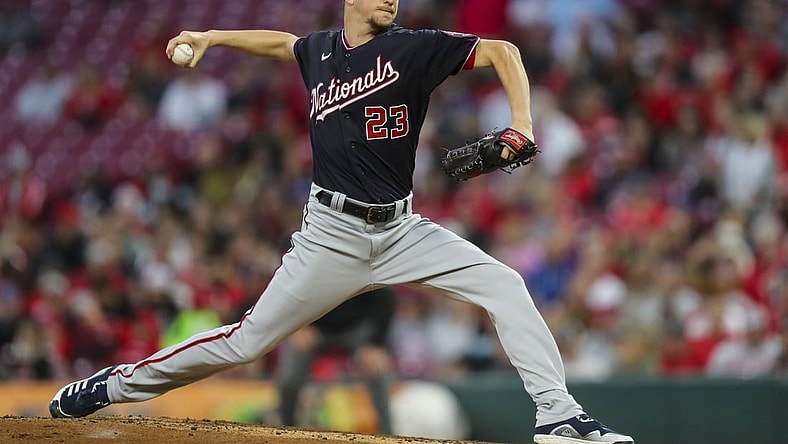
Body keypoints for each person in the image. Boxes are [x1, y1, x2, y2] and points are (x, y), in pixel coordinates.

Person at [49, 1, 634, 443]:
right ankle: (113, 385)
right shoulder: (320, 51)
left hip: (404, 230)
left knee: (502, 283)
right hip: (331, 234)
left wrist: (523, 123)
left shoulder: (413, 48)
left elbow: (504, 51)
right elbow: (283, 45)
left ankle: (559, 416)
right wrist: (212, 37)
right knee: (246, 342)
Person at [278, 287, 395, 434]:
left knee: (378, 370)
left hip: (357, 327)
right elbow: (290, 284)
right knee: (289, 378)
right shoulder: (314, 264)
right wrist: (297, 325)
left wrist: (377, 343)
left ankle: (388, 435)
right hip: (314, 325)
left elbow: (384, 294)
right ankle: (285, 432)